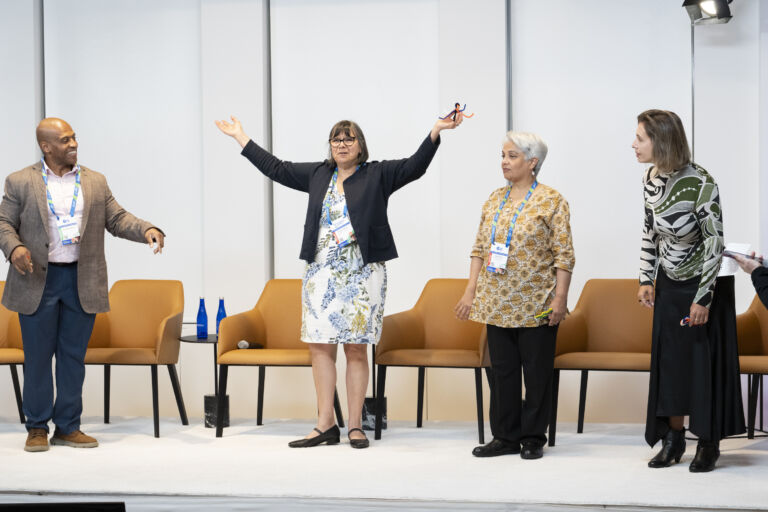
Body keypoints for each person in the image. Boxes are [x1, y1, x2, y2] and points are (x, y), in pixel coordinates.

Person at [216, 114, 461, 449]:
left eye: (349, 139)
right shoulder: (319, 174)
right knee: (320, 347)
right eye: (336, 139)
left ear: (360, 146)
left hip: (362, 275)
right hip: (322, 275)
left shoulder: (377, 174)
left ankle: (355, 426)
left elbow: (414, 167)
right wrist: (240, 137)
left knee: (356, 348)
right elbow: (276, 168)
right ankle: (325, 424)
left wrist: (436, 131)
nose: (342, 144)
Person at [0, 118, 165, 452]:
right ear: (46, 147)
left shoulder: (94, 181)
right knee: (37, 358)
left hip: (81, 279)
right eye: (65, 140)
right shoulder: (20, 181)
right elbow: (4, 222)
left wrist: (147, 229)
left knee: (73, 358)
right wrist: (14, 248)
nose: (73, 144)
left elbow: (117, 218)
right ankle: (37, 428)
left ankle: (68, 426)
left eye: (74, 137)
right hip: (38, 280)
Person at [633, 109, 745, 472]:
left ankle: (708, 443)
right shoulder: (651, 177)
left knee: (701, 365)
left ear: (661, 141)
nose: (634, 144)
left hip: (704, 284)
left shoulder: (701, 182)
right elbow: (650, 230)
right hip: (669, 284)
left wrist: (703, 298)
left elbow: (715, 242)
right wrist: (645, 278)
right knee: (671, 363)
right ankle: (674, 438)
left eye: (640, 138)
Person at [454, 131, 574, 460]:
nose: (504, 162)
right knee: (502, 372)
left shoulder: (552, 200)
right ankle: (505, 436)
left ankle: (533, 437)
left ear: (532, 162)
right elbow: (479, 249)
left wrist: (560, 299)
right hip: (497, 302)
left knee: (536, 374)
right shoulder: (495, 199)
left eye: (512, 156)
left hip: (537, 302)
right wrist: (470, 291)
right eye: (503, 156)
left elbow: (564, 255)